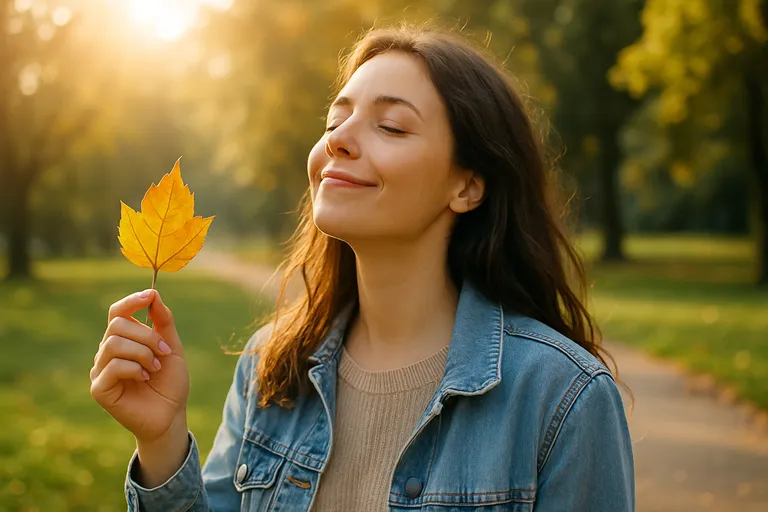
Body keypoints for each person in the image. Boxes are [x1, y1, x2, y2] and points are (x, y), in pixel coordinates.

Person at [90, 24, 634, 512]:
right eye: (335, 118)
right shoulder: (270, 368)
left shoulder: (562, 398)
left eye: (392, 127)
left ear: (467, 185)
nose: (337, 139)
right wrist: (161, 442)